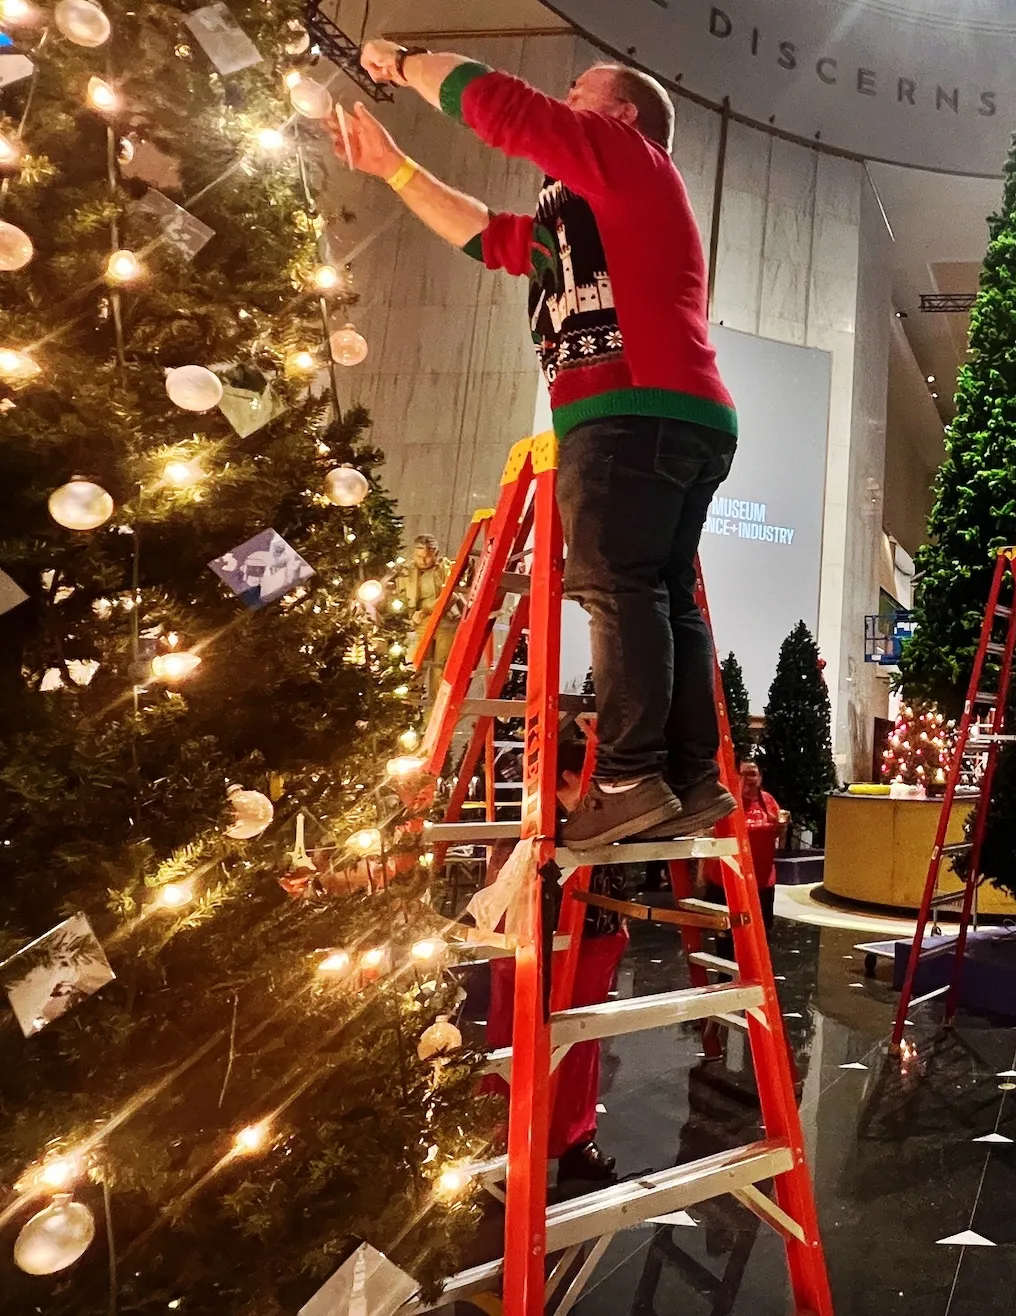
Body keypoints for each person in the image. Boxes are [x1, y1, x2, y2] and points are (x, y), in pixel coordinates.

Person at [328, 41, 737, 850]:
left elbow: (507, 110)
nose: (565, 94)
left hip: (630, 409)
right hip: (681, 413)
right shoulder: (585, 212)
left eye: (580, 89)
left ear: (622, 115)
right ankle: (689, 779)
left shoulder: (627, 159)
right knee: (659, 592)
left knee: (616, 586)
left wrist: (406, 61)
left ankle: (626, 778)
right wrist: (395, 170)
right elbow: (487, 236)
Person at [481, 718, 627, 1182]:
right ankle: (503, 1137)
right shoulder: (533, 825)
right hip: (536, 939)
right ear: (567, 777)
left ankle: (572, 1137)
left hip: (593, 940)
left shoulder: (591, 815)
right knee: (517, 1036)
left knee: (578, 1043)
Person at [392, 534, 456, 696]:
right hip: (418, 623)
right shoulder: (406, 573)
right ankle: (409, 707)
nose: (423, 560)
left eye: (428, 556)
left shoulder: (445, 569)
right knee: (414, 666)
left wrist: (427, 610)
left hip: (444, 621)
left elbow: (452, 595)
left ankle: (437, 709)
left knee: (442, 668)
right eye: (419, 556)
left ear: (436, 553)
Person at [738, 759, 786, 929]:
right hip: (736, 878)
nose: (748, 779)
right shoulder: (730, 802)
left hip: (763, 878)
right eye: (743, 774)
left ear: (760, 777)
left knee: (762, 928)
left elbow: (777, 833)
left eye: (752, 774)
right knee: (734, 931)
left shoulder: (768, 800)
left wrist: (781, 826)